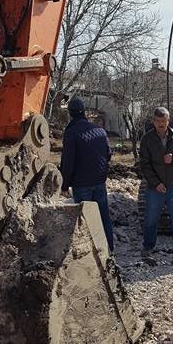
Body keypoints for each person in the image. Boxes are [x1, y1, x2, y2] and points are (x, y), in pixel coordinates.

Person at [139, 106, 173, 264]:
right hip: (154, 188)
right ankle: (148, 247)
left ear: (168, 121)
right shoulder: (147, 139)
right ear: (153, 121)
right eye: (158, 121)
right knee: (150, 220)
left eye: (163, 121)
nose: (161, 124)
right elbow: (144, 165)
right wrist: (156, 183)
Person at [60, 97, 114, 250]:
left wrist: (64, 185)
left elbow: (68, 161)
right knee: (104, 217)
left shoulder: (71, 132)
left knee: (87, 220)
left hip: (81, 185)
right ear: (84, 111)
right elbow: (108, 154)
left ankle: (93, 254)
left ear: (70, 114)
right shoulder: (100, 131)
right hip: (99, 182)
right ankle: (109, 250)